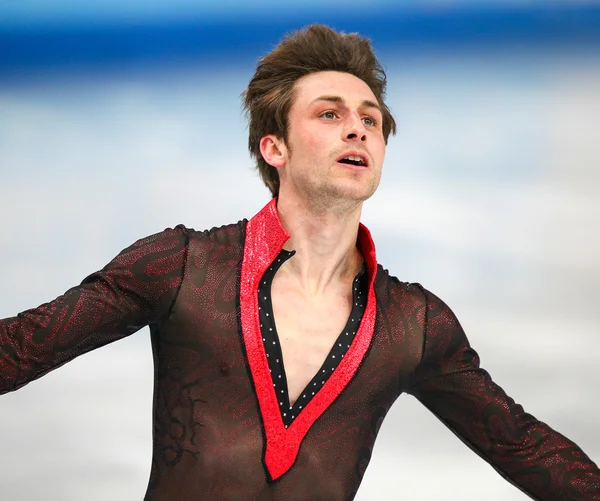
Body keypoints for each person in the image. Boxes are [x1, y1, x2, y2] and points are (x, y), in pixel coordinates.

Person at [0, 24, 598, 501]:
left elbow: (526, 449)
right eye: (330, 114)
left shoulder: (412, 324)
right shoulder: (182, 267)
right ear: (274, 147)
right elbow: (20, 348)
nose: (359, 131)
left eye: (371, 120)